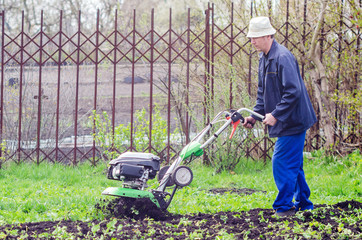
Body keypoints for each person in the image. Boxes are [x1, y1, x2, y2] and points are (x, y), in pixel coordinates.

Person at [242, 16, 317, 217]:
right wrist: (254, 117)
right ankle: (304, 204)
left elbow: (293, 92)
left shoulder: (282, 57)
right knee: (294, 165)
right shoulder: (264, 58)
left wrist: (275, 115)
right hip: (286, 118)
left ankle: (284, 207)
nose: (252, 41)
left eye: (256, 37)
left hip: (294, 120)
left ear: (268, 35)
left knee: (281, 161)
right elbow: (263, 93)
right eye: (251, 38)